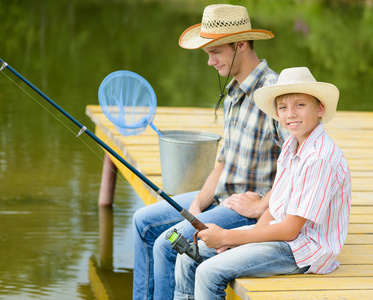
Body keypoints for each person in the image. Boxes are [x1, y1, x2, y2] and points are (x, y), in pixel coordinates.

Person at [132, 4, 288, 300]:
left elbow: (295, 165)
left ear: (240, 45)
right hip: (220, 196)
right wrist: (197, 205)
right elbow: (223, 162)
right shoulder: (232, 95)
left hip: (250, 211)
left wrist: (259, 207)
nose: (209, 62)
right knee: (143, 222)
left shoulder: (276, 93)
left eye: (215, 52)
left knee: (168, 244)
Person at [173, 67, 352, 299]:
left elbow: (290, 230)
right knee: (187, 256)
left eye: (300, 105)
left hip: (303, 250)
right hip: (281, 236)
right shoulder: (292, 145)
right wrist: (242, 241)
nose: (291, 114)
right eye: (283, 107)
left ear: (319, 108)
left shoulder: (319, 158)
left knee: (209, 271)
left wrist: (228, 237)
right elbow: (275, 207)